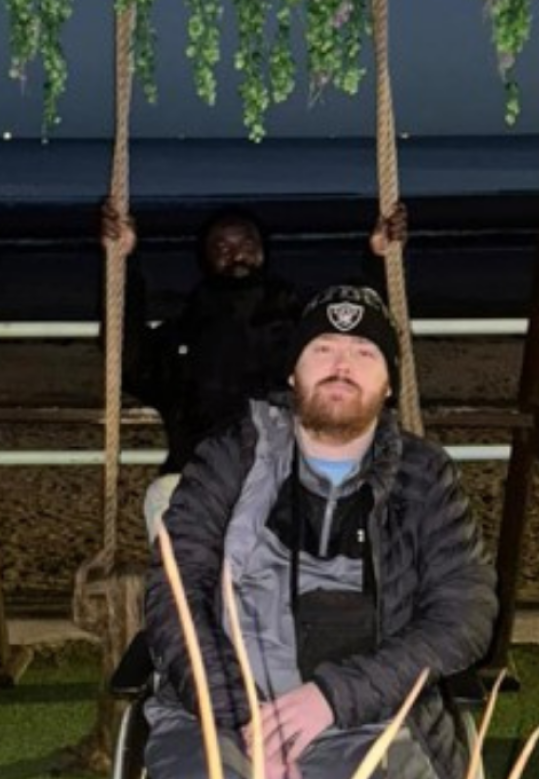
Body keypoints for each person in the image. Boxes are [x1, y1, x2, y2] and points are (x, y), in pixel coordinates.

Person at [141, 284, 498, 779]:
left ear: (390, 382)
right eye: (323, 348)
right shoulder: (231, 456)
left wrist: (332, 699)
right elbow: (174, 594)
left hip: (372, 715)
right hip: (219, 712)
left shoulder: (425, 476)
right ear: (293, 372)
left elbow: (465, 613)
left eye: (364, 351)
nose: (342, 364)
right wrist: (245, 720)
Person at [101, 204, 407, 540]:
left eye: (247, 245)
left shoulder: (302, 332)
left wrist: (379, 259)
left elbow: (367, 339)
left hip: (293, 480)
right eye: (223, 248)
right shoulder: (184, 339)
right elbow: (125, 356)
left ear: (263, 251)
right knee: (164, 497)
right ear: (204, 258)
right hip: (201, 481)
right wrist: (123, 262)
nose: (237, 255)